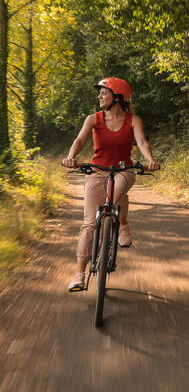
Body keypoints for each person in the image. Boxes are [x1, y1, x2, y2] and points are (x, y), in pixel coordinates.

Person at [61, 77, 160, 292]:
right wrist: (70, 157)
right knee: (88, 223)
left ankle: (122, 223)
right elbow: (79, 141)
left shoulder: (133, 120)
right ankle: (79, 274)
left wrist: (150, 160)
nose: (99, 96)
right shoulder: (93, 119)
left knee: (116, 189)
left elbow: (142, 142)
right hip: (97, 170)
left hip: (124, 169)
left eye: (103, 93)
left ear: (117, 97)